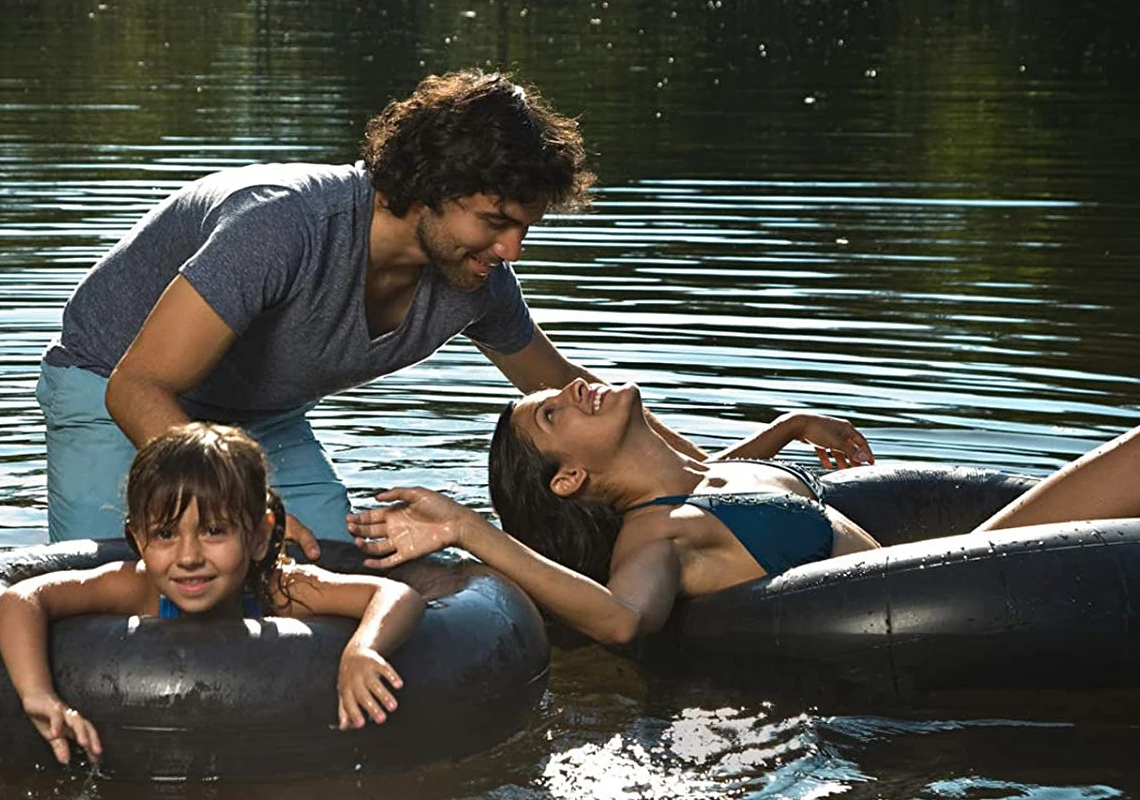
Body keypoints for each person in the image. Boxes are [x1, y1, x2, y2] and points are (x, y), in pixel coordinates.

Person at [37, 69, 700, 555]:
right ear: (432, 188)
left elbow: (563, 385)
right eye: (495, 222)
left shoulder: (477, 280)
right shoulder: (282, 224)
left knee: (333, 566)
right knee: (124, 593)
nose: (511, 251)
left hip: (260, 415)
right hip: (114, 390)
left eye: (524, 228)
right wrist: (247, 507)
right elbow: (137, 386)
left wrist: (712, 479)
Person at [347, 377, 1140, 645]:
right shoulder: (658, 531)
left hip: (971, 563)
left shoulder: (698, 477)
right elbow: (624, 620)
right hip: (971, 589)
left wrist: (786, 428)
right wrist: (470, 531)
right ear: (568, 479)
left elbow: (728, 477)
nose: (573, 387)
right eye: (554, 414)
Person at [0, 423, 426, 766]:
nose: (189, 557)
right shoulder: (137, 587)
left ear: (259, 537)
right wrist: (38, 693)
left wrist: (362, 649)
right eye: (165, 534)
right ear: (138, 539)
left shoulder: (278, 588)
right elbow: (21, 599)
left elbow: (394, 594)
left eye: (214, 531)